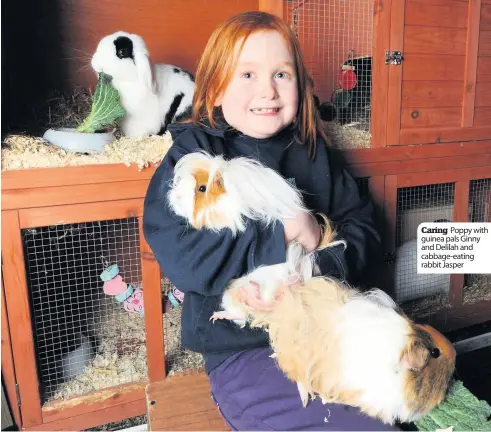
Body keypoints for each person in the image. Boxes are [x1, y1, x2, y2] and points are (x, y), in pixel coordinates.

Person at [143, 10, 395, 431]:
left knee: (397, 407)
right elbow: (182, 254)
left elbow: (364, 227)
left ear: (300, 84)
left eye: (282, 74)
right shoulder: (195, 157)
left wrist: (315, 261)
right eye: (247, 75)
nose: (268, 91)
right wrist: (279, 236)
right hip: (247, 349)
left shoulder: (312, 151)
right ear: (217, 85)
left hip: (326, 326)